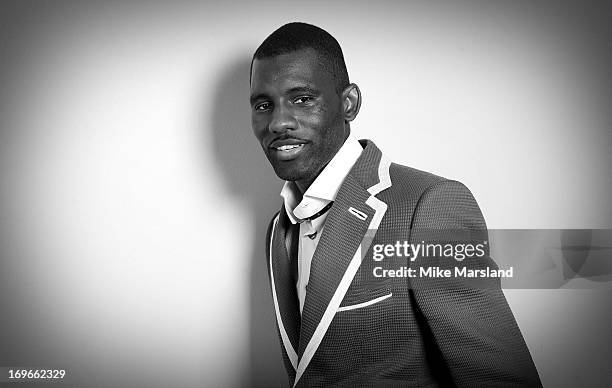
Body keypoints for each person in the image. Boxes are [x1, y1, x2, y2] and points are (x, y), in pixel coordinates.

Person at [250, 22, 542, 387]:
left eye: (303, 99)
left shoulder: (428, 206)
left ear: (349, 103)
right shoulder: (279, 229)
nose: (278, 121)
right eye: (264, 105)